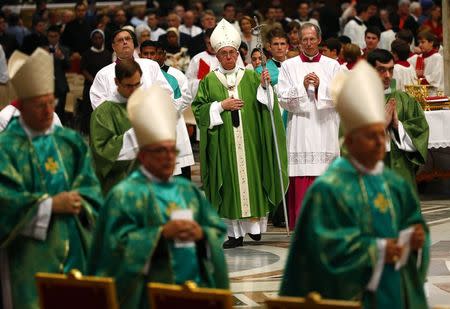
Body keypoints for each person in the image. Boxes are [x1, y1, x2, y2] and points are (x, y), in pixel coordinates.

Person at [280, 60, 429, 308]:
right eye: (371, 136)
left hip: (392, 293)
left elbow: (414, 230)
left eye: (381, 134)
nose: (380, 142)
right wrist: (379, 251)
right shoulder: (330, 190)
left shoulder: (395, 186)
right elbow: (322, 251)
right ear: (350, 140)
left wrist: (416, 242)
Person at [88, 85, 228, 309]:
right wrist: (159, 235)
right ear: (143, 155)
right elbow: (111, 249)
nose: (168, 158)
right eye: (160, 151)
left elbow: (216, 231)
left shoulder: (188, 192)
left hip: (192, 293)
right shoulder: (124, 195)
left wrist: (202, 235)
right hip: (146, 296)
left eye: (172, 150)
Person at [0, 48, 102, 309]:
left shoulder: (69, 142)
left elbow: (90, 186)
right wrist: (49, 206)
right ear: (21, 106)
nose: (48, 111)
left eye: (51, 103)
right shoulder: (7, 147)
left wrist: (82, 202)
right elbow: (5, 200)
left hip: (75, 242)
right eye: (39, 105)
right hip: (28, 250)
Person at [192, 19, 288, 248]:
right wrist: (220, 106)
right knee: (228, 184)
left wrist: (266, 87)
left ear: (238, 53)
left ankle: (254, 229)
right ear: (217, 55)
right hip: (223, 144)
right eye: (224, 53)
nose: (228, 57)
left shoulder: (252, 76)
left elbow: (268, 105)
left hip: (250, 143)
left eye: (232, 52)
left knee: (252, 180)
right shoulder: (208, 81)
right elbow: (199, 109)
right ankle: (234, 234)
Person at [277, 23, 340, 230]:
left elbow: (342, 95)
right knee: (302, 175)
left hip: (325, 127)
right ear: (299, 41)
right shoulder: (288, 65)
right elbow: (283, 98)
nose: (308, 43)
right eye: (304, 39)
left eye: (312, 39)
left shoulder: (333, 66)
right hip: (300, 129)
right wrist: (302, 87)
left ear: (319, 40)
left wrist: (321, 87)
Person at [367, 49, 429, 187]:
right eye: (381, 70)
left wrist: (397, 126)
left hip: (401, 174)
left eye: (391, 70)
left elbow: (420, 132)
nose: (388, 75)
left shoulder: (405, 100)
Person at [139, 40, 194, 179]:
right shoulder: (136, 74)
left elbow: (186, 97)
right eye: (146, 54)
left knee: (179, 171)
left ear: (162, 55)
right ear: (140, 55)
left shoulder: (175, 75)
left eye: (154, 53)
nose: (150, 57)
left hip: (174, 123)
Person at [90, 59, 142, 194]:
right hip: (119, 187)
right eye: (129, 86)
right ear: (116, 82)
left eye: (138, 84)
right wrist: (138, 134)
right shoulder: (102, 113)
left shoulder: (145, 106)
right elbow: (102, 154)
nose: (134, 90)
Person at [89, 29, 172, 109]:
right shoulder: (103, 74)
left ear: (133, 43)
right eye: (120, 40)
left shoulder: (151, 65)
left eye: (128, 39)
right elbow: (98, 103)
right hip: (118, 120)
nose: (125, 42)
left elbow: (165, 91)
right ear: (113, 46)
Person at [79, 29, 112, 134]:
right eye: (95, 38)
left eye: (100, 38)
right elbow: (83, 69)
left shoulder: (107, 54)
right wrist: (94, 81)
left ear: (103, 39)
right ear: (92, 40)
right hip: (90, 85)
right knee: (89, 109)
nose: (98, 40)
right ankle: (88, 130)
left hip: (104, 86)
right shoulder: (87, 54)